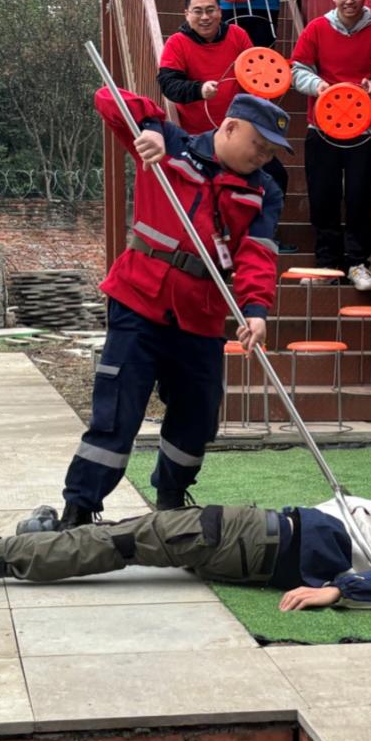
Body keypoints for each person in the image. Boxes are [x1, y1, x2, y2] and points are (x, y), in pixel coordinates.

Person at [59, 87, 289, 527]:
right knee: (117, 412)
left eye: (271, 151)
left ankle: (170, 501)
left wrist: (256, 310)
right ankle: (79, 510)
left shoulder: (265, 191)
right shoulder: (170, 145)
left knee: (198, 415)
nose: (263, 156)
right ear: (230, 127)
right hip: (139, 300)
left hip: (201, 314)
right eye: (258, 145)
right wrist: (149, 128)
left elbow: (257, 255)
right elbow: (107, 97)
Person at [0, 490, 371, 611]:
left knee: (123, 540)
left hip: (256, 540)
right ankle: (39, 539)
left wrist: (337, 590)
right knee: (133, 533)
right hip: (255, 533)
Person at [290, 0, 371, 292]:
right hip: (321, 129)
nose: (349, 1)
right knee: (323, 197)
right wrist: (319, 86)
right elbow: (296, 71)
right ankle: (327, 265)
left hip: (365, 132)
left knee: (359, 198)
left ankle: (357, 264)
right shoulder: (316, 29)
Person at [158, 0, 290, 199]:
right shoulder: (177, 43)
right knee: (210, 192)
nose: (205, 17)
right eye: (198, 11)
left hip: (241, 133)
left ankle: (264, 220)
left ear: (220, 11)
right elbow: (168, 84)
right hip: (199, 139)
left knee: (276, 177)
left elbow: (256, 71)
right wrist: (199, 89)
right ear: (187, 14)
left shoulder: (237, 35)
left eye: (210, 10)